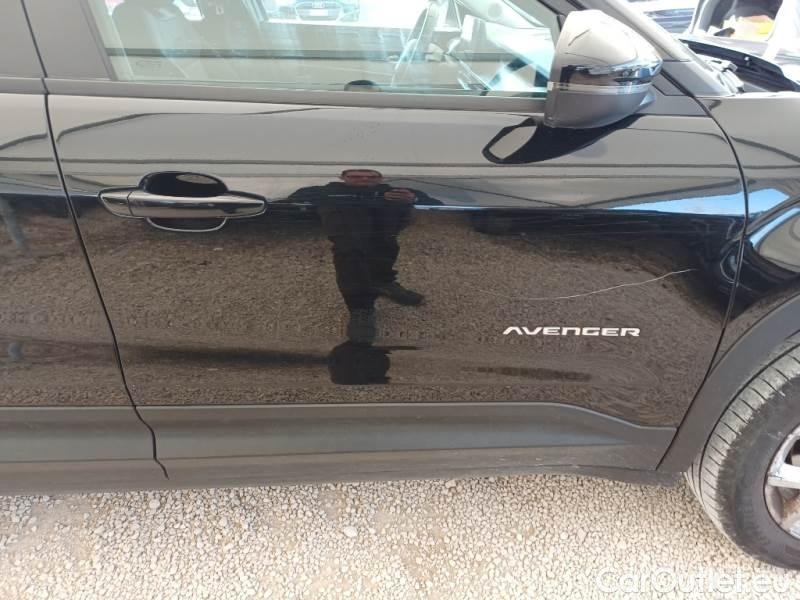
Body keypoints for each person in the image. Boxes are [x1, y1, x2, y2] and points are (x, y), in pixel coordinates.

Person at [287, 169, 441, 343]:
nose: (364, 179)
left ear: (381, 178)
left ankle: (382, 282)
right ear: (342, 177)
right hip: (349, 237)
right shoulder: (325, 191)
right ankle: (360, 309)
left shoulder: (395, 191)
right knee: (350, 254)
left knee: (386, 246)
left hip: (384, 237)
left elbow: (436, 203)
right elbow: (290, 202)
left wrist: (413, 199)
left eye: (371, 176)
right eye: (356, 176)